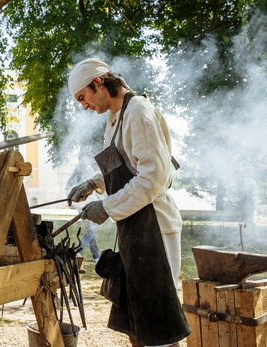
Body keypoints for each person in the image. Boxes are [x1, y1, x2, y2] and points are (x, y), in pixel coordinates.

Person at [66, 58, 190, 347]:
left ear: (98, 83)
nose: (84, 106)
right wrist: (94, 183)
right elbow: (125, 162)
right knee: (135, 318)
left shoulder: (139, 112)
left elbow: (153, 179)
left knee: (159, 322)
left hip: (155, 226)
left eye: (83, 97)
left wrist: (106, 207)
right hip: (134, 227)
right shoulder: (115, 117)